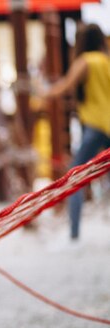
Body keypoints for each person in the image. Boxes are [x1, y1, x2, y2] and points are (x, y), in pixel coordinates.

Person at [42, 23, 110, 241]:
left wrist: (43, 91)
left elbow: (65, 86)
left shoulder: (86, 61)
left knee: (75, 176)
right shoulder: (106, 61)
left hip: (96, 126)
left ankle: (74, 234)